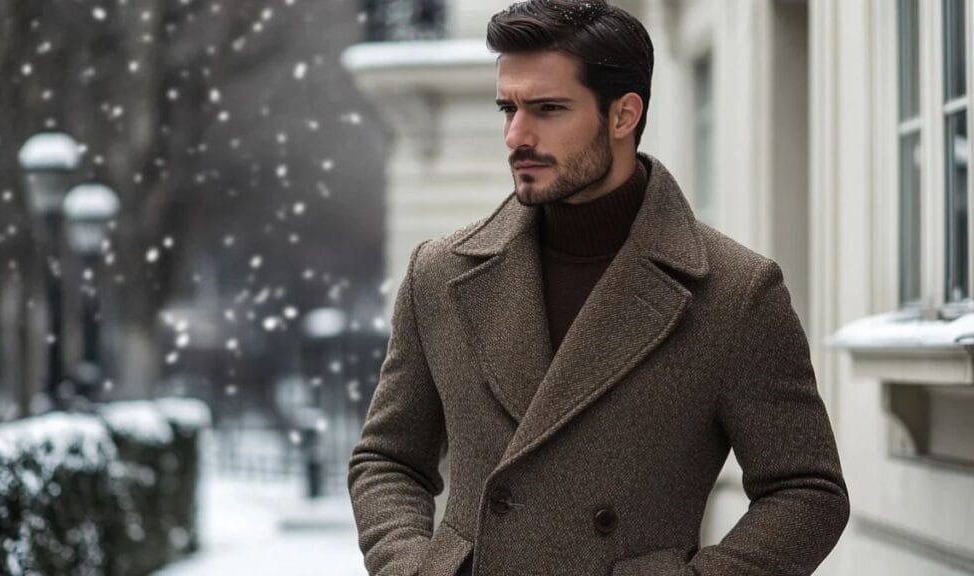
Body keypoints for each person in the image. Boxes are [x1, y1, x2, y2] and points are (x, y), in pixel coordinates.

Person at [348, 1, 849, 575]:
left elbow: (807, 491)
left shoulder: (734, 291)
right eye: (508, 108)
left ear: (623, 115)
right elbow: (387, 460)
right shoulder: (440, 274)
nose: (516, 135)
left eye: (548, 109)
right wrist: (413, 567)